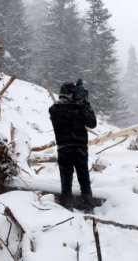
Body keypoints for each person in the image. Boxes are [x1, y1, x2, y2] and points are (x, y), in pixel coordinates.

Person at [49, 80, 97, 213]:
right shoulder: (60, 108)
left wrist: (82, 103)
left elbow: (92, 124)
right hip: (78, 147)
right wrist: (85, 104)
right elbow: (92, 122)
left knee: (66, 181)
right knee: (83, 178)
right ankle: (88, 207)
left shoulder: (56, 108)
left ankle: (67, 207)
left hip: (65, 148)